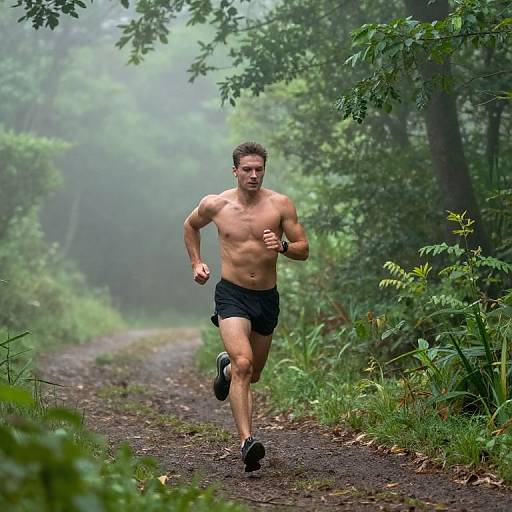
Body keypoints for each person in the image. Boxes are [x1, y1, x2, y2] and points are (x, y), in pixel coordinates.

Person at [183, 141, 309, 472]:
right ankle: (246, 442)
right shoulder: (216, 204)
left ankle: (224, 370)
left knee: (252, 374)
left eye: (259, 170)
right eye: (247, 169)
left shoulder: (280, 205)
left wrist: (282, 245)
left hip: (266, 297)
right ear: (235, 170)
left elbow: (303, 248)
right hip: (232, 294)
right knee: (244, 363)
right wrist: (196, 262)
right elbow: (190, 226)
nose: (254, 175)